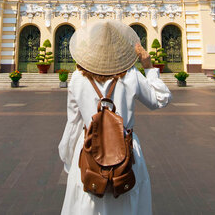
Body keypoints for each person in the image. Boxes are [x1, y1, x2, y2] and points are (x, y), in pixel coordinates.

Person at [59, 20, 172, 214]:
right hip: (125, 150)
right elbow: (160, 99)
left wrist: (69, 159)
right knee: (127, 202)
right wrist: (149, 68)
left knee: (87, 204)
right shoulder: (130, 74)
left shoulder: (77, 78)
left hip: (88, 148)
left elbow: (73, 124)